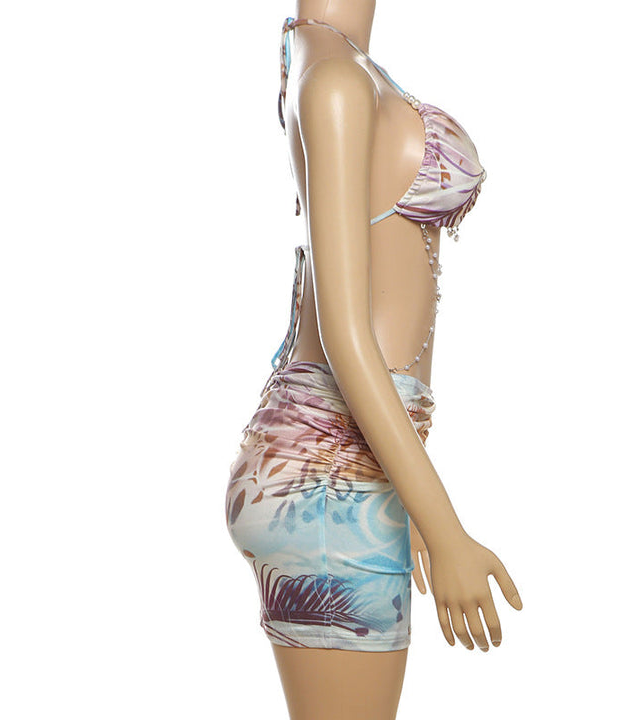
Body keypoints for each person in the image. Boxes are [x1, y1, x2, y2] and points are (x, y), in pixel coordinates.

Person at [225, 2, 523, 718]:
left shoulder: (328, 58)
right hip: (331, 478)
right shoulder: (333, 79)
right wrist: (445, 529)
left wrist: (407, 493)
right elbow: (344, 335)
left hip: (348, 465)